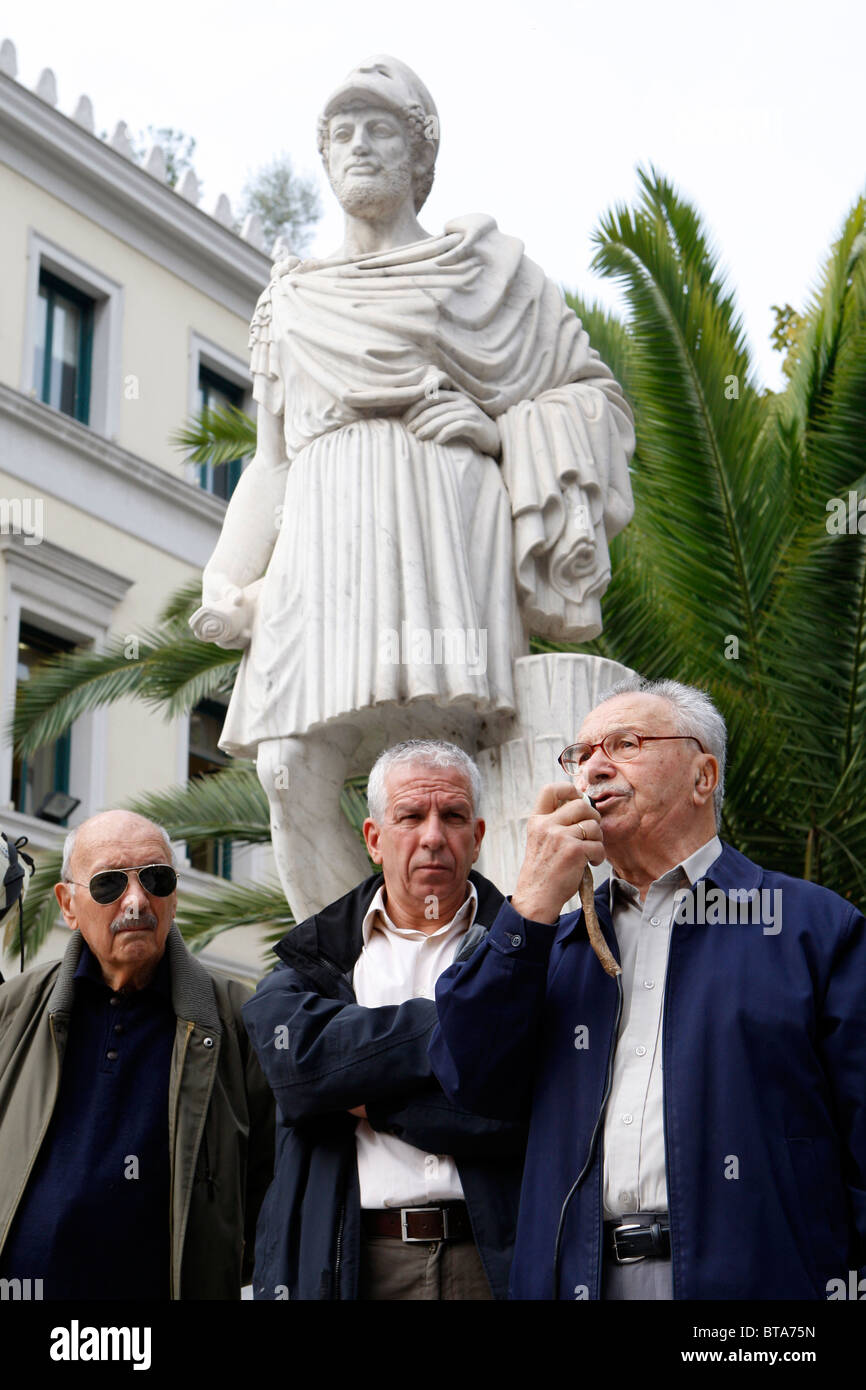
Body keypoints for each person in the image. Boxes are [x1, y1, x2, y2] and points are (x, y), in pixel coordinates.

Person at [190, 54, 635, 922]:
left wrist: (503, 433)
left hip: (438, 538)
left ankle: (461, 978)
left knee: (440, 763)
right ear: (323, 159)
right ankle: (357, 983)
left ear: (420, 157)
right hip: (318, 544)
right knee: (285, 766)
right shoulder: (291, 298)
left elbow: (596, 400)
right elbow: (272, 460)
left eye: (381, 129)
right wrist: (225, 571)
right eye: (342, 133)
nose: (360, 146)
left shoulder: (482, 272)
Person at [430, 678, 866, 1300]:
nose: (595, 768)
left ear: (702, 776)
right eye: (581, 756)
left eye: (625, 743)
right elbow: (468, 1078)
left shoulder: (812, 928)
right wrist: (527, 902)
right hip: (576, 1279)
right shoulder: (548, 941)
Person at [241, 740, 526, 1300]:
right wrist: (459, 1029)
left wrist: (368, 1097)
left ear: (478, 836)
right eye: (411, 817)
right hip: (354, 1260)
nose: (433, 837)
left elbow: (518, 1112)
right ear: (374, 839)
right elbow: (299, 1071)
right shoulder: (315, 957)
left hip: (494, 1260)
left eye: (453, 816)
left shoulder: (526, 952)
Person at [0, 810, 274, 1300]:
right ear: (67, 903)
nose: (136, 900)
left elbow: (271, 1187)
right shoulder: (12, 1012)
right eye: (108, 884)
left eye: (156, 879)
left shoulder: (239, 1020)